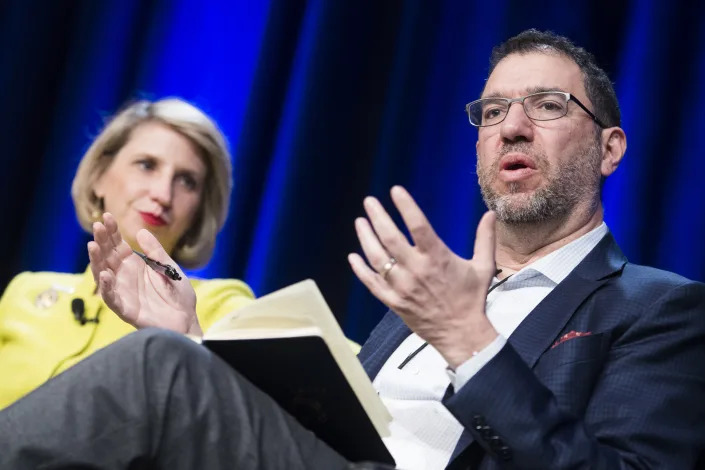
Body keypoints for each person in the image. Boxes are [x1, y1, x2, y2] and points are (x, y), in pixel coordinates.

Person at [2, 29, 705, 470]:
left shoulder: (660, 309)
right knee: (166, 359)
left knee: (155, 370)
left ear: (609, 148)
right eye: (492, 111)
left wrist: (473, 344)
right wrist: (192, 340)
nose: (511, 127)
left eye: (548, 105)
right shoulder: (417, 309)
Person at [0, 98, 254, 410]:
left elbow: (249, 432)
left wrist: (187, 341)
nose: (162, 194)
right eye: (147, 165)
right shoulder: (25, 292)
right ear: (99, 177)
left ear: (200, 211)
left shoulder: (222, 304)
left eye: (187, 181)